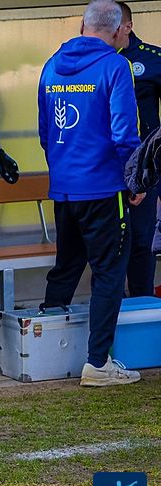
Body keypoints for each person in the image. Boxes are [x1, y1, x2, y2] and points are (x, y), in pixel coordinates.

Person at [38, 0, 143, 387]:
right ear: (116, 31)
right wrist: (135, 180)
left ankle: (46, 353)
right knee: (109, 273)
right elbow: (124, 134)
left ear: (83, 26)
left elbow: (46, 131)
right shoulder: (115, 66)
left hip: (65, 188)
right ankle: (98, 363)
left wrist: (64, 169)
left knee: (66, 266)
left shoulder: (52, 65)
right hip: (103, 188)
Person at [117, 2, 160, 297]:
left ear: (128, 26)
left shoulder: (152, 59)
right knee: (113, 241)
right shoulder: (97, 60)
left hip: (144, 166)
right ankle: (111, 308)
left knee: (142, 240)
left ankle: (143, 305)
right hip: (107, 165)